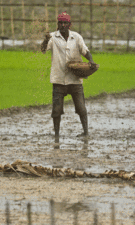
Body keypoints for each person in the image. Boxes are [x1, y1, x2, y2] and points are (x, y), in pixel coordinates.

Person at [41, 11, 97, 143]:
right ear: (58, 24)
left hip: (75, 79)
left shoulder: (76, 37)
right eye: (60, 22)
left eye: (65, 23)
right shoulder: (53, 38)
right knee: (57, 109)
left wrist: (91, 61)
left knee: (81, 108)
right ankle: (57, 135)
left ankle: (85, 132)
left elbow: (85, 51)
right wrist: (45, 39)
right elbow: (43, 50)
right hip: (58, 79)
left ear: (69, 25)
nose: (63, 25)